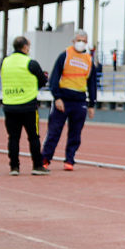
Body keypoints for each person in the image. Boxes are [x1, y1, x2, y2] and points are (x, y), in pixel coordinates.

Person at [41, 30, 97, 171]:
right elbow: (54, 78)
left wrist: (92, 104)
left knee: (75, 133)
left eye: (84, 41)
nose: (81, 43)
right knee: (54, 131)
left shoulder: (89, 60)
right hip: (63, 99)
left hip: (80, 101)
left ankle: (70, 160)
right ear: (73, 41)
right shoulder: (65, 55)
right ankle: (45, 159)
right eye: (79, 40)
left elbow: (92, 84)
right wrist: (57, 97)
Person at [0, 36, 49, 176]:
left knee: (13, 138)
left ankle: (14, 167)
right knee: (33, 137)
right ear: (25, 47)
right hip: (28, 106)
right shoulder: (30, 63)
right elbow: (43, 80)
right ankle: (37, 166)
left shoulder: (5, 62)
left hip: (9, 105)